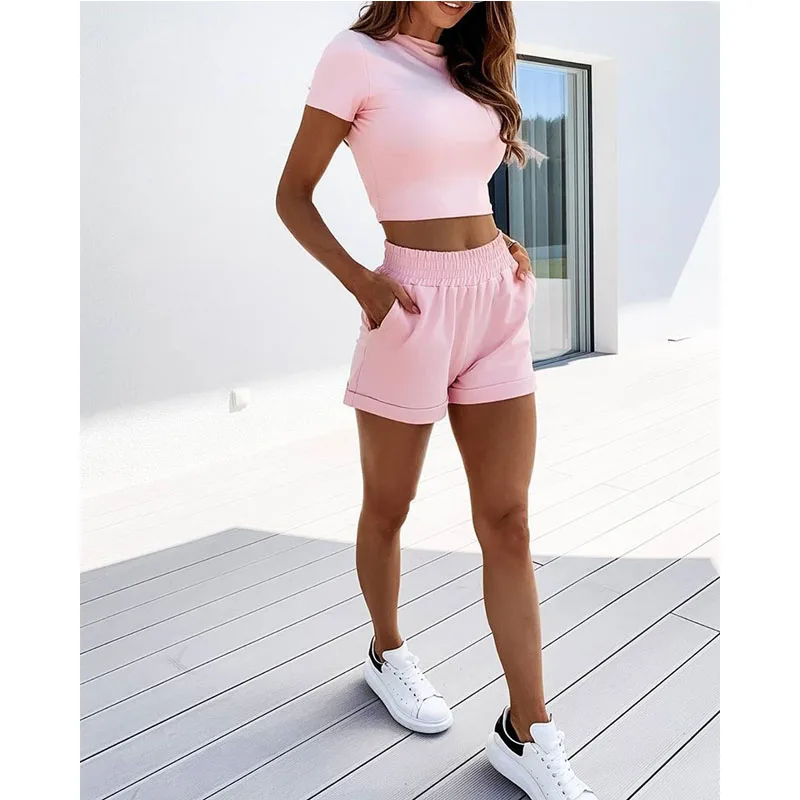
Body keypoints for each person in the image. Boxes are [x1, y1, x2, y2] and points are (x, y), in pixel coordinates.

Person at [276, 2, 596, 798]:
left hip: (494, 299)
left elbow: (463, 183)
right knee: (389, 505)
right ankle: (387, 651)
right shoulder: (355, 56)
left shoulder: (470, 63)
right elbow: (293, 196)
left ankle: (529, 729)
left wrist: (497, 244)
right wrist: (365, 285)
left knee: (509, 520)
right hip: (410, 306)